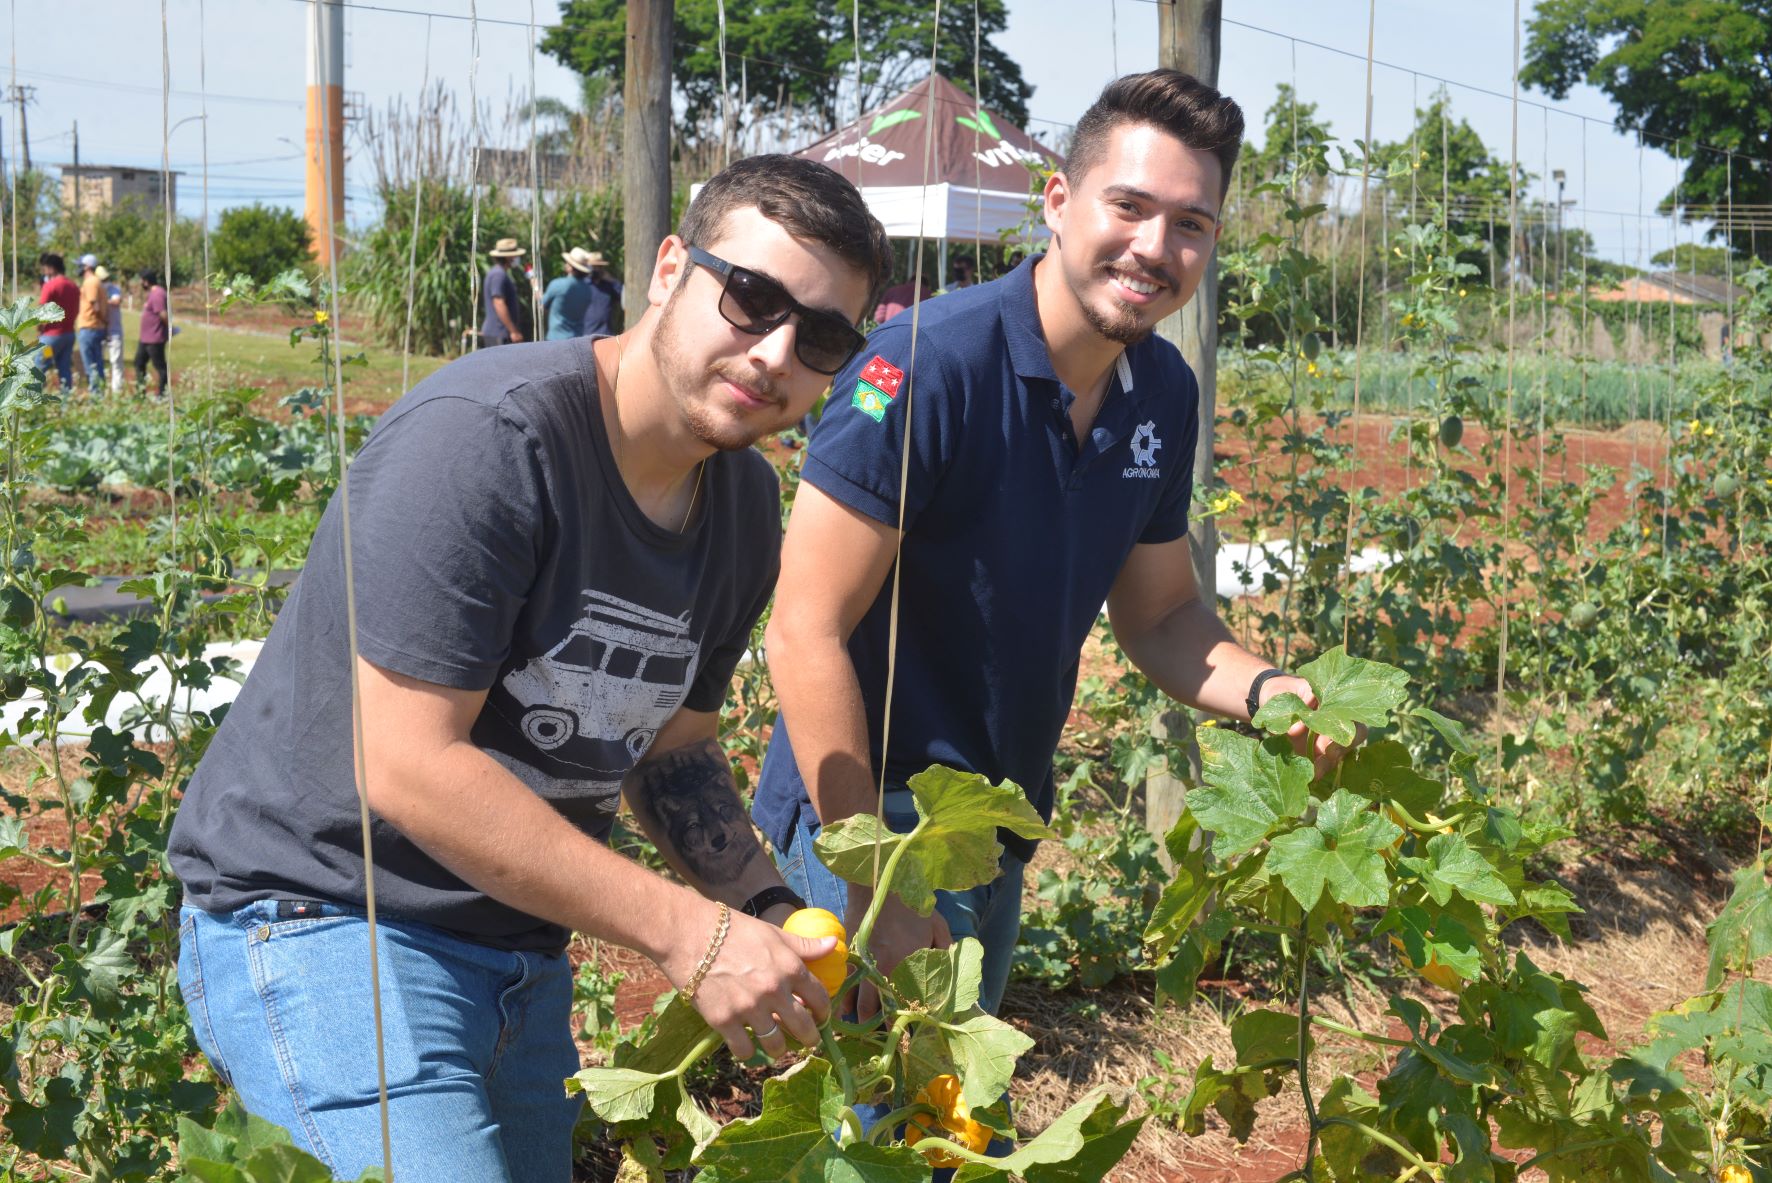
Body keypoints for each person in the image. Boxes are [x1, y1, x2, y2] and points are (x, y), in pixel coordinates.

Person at [167, 153, 892, 1182]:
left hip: (516, 952)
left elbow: (672, 750)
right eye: (750, 299)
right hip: (326, 916)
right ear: (670, 267)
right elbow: (407, 764)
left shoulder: (737, 510)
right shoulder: (491, 439)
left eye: (819, 336)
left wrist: (769, 915)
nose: (774, 352)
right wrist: (686, 930)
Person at [753, 70, 1364, 1028]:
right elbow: (802, 629)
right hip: (871, 819)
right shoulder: (923, 365)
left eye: (1192, 224)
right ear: (1057, 202)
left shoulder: (1162, 390)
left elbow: (1161, 615)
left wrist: (1268, 690)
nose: (1155, 247)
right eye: (1130, 206)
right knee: (879, 1138)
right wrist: (882, 883)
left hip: (997, 825)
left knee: (941, 1132)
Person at [33, 252, 80, 391]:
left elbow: (42, 311)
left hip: (51, 337)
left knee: (39, 367)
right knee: (64, 368)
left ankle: (34, 402)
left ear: (51, 268)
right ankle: (66, 402)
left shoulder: (50, 286)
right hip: (68, 335)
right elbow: (76, 310)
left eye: (45, 268)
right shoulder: (73, 286)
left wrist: (40, 329)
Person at [541, 246, 596, 341]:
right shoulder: (588, 290)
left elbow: (542, 306)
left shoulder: (558, 284)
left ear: (571, 267)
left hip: (555, 340)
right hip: (577, 340)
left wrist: (535, 289)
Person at [481, 238, 527, 346]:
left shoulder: (499, 273)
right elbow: (498, 303)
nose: (517, 258)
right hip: (498, 334)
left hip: (500, 333)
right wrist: (513, 331)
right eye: (515, 255)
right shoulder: (498, 275)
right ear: (508, 257)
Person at [74, 253, 109, 394]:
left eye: (81, 265)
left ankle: (96, 396)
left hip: (90, 327)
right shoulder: (96, 281)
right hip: (95, 327)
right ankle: (99, 392)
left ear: (87, 266)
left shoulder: (90, 282)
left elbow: (95, 306)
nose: (79, 268)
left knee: (91, 365)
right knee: (97, 363)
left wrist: (102, 319)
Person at [134, 269, 169, 397]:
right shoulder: (153, 293)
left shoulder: (158, 294)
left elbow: (163, 314)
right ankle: (140, 392)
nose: (141, 284)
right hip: (146, 338)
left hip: (155, 338)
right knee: (139, 363)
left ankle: (162, 394)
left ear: (146, 281)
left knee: (160, 367)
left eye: (142, 281)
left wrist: (169, 329)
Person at [581, 251, 623, 337]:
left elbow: (625, 297)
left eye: (599, 267)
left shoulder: (609, 286)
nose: (597, 269)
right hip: (585, 334)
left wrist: (612, 281)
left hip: (606, 333)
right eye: (594, 267)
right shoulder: (583, 285)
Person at [98, 266, 125, 396]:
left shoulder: (115, 289)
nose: (105, 281)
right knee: (98, 362)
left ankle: (117, 393)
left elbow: (117, 300)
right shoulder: (96, 290)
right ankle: (100, 390)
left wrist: (102, 302)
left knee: (116, 363)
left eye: (106, 278)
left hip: (114, 331)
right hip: (100, 331)